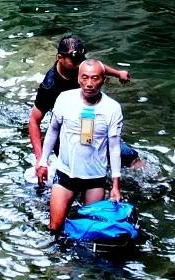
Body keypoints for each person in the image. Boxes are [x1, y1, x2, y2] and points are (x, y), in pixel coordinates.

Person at [39, 57, 124, 232]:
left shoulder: (112, 108)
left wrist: (116, 185)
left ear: (104, 80)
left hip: (95, 178)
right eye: (84, 77)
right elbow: (53, 130)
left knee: (90, 230)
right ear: (78, 78)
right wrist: (42, 162)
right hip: (65, 173)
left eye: (95, 78)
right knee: (54, 228)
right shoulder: (64, 99)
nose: (89, 83)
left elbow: (114, 147)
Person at [26, 35, 128, 169]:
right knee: (79, 165)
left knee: (125, 156)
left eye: (80, 60)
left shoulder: (78, 63)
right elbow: (34, 121)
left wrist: (118, 73)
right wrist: (40, 161)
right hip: (65, 127)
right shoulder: (49, 86)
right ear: (59, 58)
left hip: (86, 117)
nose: (79, 65)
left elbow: (97, 67)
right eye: (74, 61)